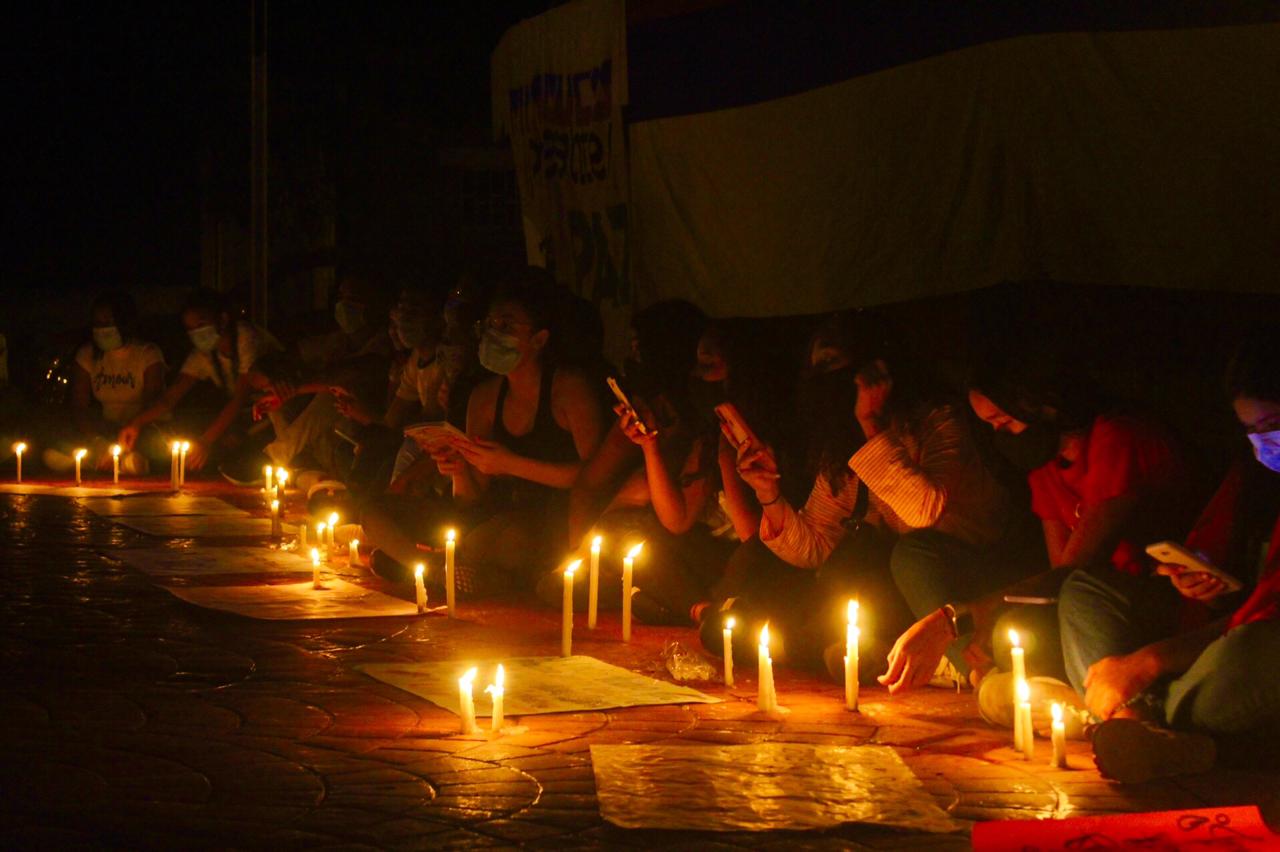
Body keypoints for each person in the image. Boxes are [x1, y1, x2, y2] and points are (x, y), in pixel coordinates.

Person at [712, 314, 1042, 683]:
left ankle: (971, 670)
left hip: (958, 574)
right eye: (817, 368)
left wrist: (872, 424)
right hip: (892, 585)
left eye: (833, 363)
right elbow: (814, 547)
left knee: (904, 557)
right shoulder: (843, 444)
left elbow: (923, 512)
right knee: (790, 574)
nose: (824, 379)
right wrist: (767, 491)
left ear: (874, 372)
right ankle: (850, 650)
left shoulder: (937, 422)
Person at [1058, 329, 1280, 782]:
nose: (1264, 444)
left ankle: (1143, 723)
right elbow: (1241, 592)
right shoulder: (1254, 477)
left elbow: (1263, 623)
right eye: (1250, 431)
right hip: (1213, 642)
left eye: (1273, 426)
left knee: (1261, 651)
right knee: (1086, 590)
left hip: (1245, 655)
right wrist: (1204, 582)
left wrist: (1147, 663)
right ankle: (1142, 724)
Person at [360, 269, 604, 592]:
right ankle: (437, 570)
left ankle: (451, 570)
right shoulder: (485, 396)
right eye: (489, 325)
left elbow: (599, 477)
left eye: (505, 326)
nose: (492, 333)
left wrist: (511, 464)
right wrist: (458, 469)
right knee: (373, 512)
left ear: (539, 339)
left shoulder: (569, 390)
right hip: (486, 516)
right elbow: (470, 500)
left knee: (497, 541)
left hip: (546, 520)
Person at [964, 353, 1199, 689]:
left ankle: (1122, 710)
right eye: (991, 427)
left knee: (1075, 594)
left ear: (1039, 402)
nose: (1001, 435)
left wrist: (977, 610)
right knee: (1013, 631)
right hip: (1085, 599)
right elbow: (1058, 573)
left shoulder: (1118, 436)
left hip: (1164, 594)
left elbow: (1076, 568)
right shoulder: (1044, 468)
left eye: (1003, 420)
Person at [545, 302, 753, 625]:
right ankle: (672, 603)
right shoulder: (694, 423)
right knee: (618, 543)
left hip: (739, 555)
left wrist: (725, 452)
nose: (634, 355)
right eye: (700, 363)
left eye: (710, 365)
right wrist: (649, 446)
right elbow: (596, 485)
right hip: (687, 543)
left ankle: (698, 611)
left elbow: (738, 534)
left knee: (636, 541)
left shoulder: (738, 427)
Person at [118, 290, 278, 476]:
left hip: (278, 410)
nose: (197, 333)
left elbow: (240, 397)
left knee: (225, 447)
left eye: (201, 325)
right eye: (190, 329)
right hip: (247, 416)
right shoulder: (202, 355)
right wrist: (136, 423)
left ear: (223, 319)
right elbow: (169, 399)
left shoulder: (245, 336)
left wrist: (206, 441)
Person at [44, 291, 166, 474]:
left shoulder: (147, 353)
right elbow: (79, 405)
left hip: (142, 428)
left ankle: (122, 462)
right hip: (106, 427)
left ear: (124, 322)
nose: (102, 329)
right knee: (57, 443)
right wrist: (96, 440)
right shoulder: (86, 355)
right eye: (97, 324)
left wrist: (131, 430)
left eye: (108, 323)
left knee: (153, 445)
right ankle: (107, 461)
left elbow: (153, 402)